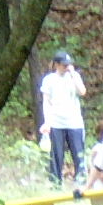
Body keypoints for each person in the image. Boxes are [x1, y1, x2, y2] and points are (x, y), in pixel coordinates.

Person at [39, 51, 88, 184]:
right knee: (56, 155)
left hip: (74, 122)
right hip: (56, 122)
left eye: (68, 65)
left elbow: (82, 91)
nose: (66, 67)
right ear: (56, 65)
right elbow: (46, 102)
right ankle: (55, 182)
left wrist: (73, 75)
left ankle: (81, 181)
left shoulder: (74, 76)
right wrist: (47, 122)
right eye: (63, 65)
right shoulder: (49, 80)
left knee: (78, 153)